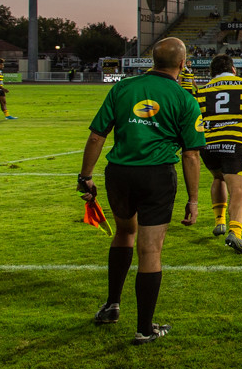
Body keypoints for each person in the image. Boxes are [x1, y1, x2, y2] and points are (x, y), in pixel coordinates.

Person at [76, 37, 205, 344]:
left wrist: (85, 176)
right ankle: (145, 329)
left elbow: (97, 137)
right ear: (182, 64)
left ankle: (112, 305)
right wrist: (194, 199)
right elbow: (191, 155)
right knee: (151, 250)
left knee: (124, 233)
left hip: (119, 173)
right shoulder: (185, 99)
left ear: (152, 61)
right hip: (157, 176)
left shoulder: (122, 88)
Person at [193, 54, 242, 253]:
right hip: (234, 143)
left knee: (218, 178)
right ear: (234, 69)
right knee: (238, 190)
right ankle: (235, 232)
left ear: (212, 72)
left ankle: (219, 221)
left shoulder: (201, 91)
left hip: (208, 146)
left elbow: (194, 118)